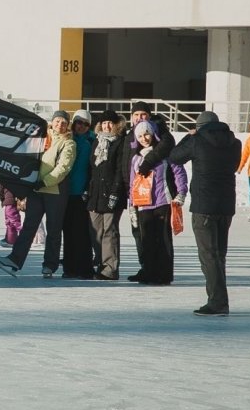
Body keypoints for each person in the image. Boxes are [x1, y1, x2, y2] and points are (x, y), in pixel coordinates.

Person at [170, 111, 242, 316]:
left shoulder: (196, 141)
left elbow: (175, 157)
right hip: (226, 205)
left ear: (199, 126)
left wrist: (189, 136)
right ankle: (220, 300)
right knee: (219, 255)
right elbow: (234, 165)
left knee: (208, 255)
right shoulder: (235, 143)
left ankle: (217, 302)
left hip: (204, 205)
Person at [0, 110, 76, 278]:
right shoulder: (42, 138)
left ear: (67, 125)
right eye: (58, 121)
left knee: (53, 229)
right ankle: (15, 259)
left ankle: (49, 265)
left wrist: (44, 181)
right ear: (52, 122)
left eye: (64, 122)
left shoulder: (68, 143)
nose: (60, 125)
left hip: (54, 191)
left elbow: (63, 167)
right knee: (29, 226)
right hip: (36, 190)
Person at [127, 120, 187, 285]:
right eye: (140, 136)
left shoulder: (165, 154)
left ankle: (164, 274)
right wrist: (132, 205)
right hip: (143, 203)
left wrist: (181, 192)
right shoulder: (136, 159)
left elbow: (179, 172)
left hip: (163, 201)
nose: (144, 138)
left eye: (146, 134)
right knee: (146, 240)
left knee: (163, 239)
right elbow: (133, 183)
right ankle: (149, 272)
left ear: (153, 134)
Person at [120, 101, 175, 282]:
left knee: (160, 236)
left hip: (158, 194)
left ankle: (163, 272)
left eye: (143, 115)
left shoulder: (161, 133)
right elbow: (125, 163)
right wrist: (129, 190)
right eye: (136, 115)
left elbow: (167, 149)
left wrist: (147, 162)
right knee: (141, 234)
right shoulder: (129, 136)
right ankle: (147, 267)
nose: (139, 118)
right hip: (138, 194)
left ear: (149, 116)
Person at [86, 110, 127, 281]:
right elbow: (92, 169)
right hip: (95, 194)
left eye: (110, 123)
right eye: (104, 123)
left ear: (116, 124)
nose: (107, 126)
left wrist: (115, 193)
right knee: (95, 230)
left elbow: (120, 170)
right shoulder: (97, 142)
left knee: (109, 232)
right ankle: (100, 263)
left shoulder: (120, 142)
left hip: (112, 193)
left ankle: (110, 268)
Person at [61, 109, 95, 279]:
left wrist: (87, 190)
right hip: (65, 192)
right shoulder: (67, 140)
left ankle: (84, 268)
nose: (81, 126)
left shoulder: (91, 143)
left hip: (81, 193)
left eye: (85, 124)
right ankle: (69, 267)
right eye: (78, 122)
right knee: (67, 232)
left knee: (81, 233)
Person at [0, 184, 22, 248]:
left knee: (15, 222)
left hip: (9, 201)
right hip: (12, 201)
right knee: (9, 222)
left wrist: (2, 200)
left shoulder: (2, 177)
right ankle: (11, 240)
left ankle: (25, 238)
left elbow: (1, 190)